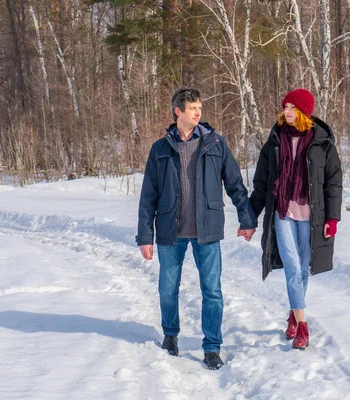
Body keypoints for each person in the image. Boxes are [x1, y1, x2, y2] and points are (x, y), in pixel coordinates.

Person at [136, 87, 257, 370]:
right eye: (192, 108)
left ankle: (212, 347)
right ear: (178, 111)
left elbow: (235, 185)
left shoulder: (216, 143)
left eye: (200, 107)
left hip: (208, 230)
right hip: (170, 231)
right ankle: (170, 335)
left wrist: (247, 219)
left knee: (212, 290)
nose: (198, 112)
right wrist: (145, 236)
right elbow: (148, 196)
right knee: (168, 289)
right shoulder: (160, 148)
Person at [248, 88, 342, 350]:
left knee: (302, 268)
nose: (286, 112)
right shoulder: (275, 141)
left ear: (303, 112)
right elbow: (262, 182)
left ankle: (293, 311)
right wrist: (250, 218)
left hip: (311, 215)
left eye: (292, 108)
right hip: (283, 212)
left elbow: (334, 183)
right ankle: (302, 325)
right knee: (292, 266)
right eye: (285, 107)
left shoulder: (322, 143)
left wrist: (332, 218)